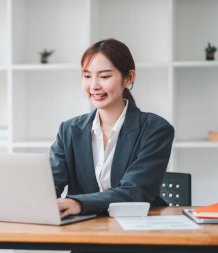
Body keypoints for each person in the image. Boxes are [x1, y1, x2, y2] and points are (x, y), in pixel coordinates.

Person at [50, 38, 174, 218]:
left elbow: (135, 192)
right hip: (86, 234)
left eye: (104, 76)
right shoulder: (68, 130)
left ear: (129, 78)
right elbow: (48, 185)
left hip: (138, 234)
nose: (94, 86)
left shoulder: (155, 129)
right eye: (87, 76)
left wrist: (78, 203)